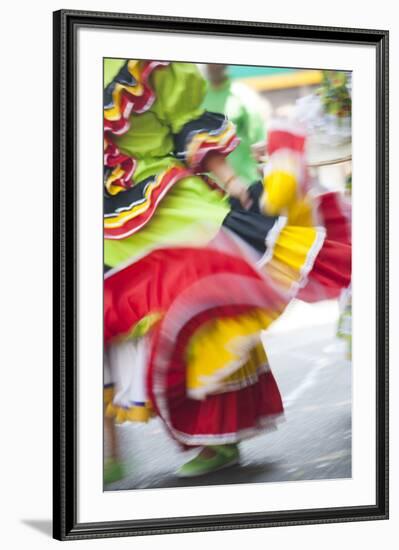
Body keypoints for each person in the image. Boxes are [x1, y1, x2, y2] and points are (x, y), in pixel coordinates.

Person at [103, 59, 351, 481]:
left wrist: (238, 185)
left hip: (167, 209)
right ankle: (105, 456)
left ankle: (218, 437)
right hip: (99, 221)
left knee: (200, 316)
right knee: (105, 329)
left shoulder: (146, 65)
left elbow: (189, 125)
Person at [202, 64, 267, 186]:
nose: (213, 66)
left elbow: (259, 141)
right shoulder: (198, 96)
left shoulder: (243, 95)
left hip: (245, 183)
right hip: (210, 189)